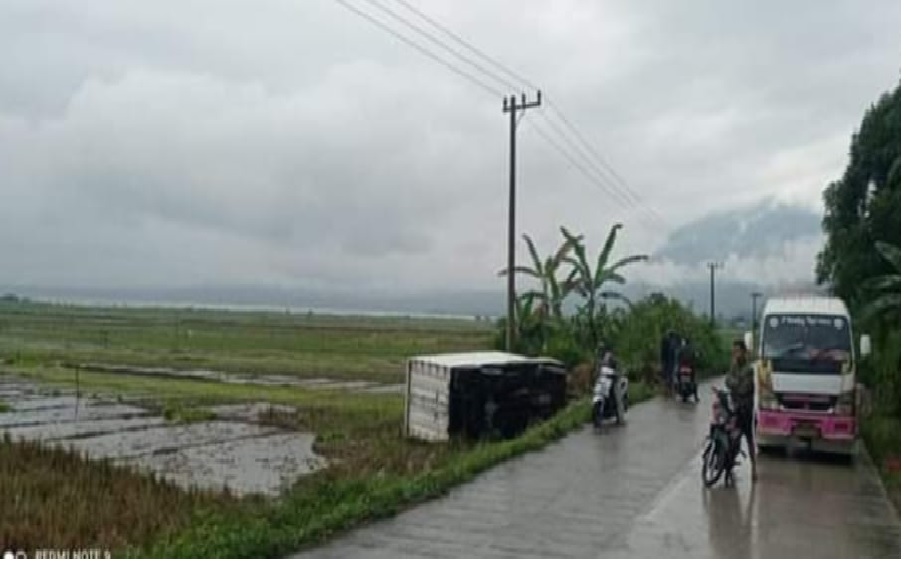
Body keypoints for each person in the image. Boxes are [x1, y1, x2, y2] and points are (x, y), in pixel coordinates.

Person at [725, 339, 757, 481]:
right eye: (734, 351)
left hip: (746, 409)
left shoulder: (749, 369)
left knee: (749, 438)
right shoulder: (734, 366)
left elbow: (744, 388)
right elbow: (727, 380)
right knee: (733, 438)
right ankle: (729, 465)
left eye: (738, 351)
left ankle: (754, 469)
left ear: (744, 352)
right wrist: (735, 383)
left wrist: (734, 383)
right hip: (735, 407)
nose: (736, 354)